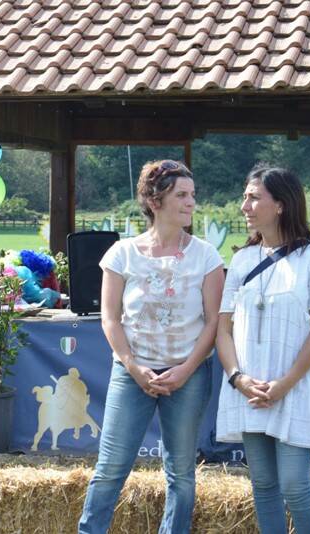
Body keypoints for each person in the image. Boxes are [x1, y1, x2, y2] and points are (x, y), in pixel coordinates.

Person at [78, 160, 225, 533]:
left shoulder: (207, 256)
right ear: (155, 200)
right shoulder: (121, 254)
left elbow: (214, 321)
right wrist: (133, 367)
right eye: (182, 195)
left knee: (181, 473)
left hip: (188, 375)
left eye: (192, 195)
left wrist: (186, 369)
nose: (191, 202)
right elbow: (110, 318)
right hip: (131, 373)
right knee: (111, 468)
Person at [215, 166, 310, 534]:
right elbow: (223, 330)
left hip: (296, 387)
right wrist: (238, 378)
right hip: (250, 388)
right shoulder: (240, 261)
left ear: (282, 205)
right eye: (245, 196)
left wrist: (285, 383)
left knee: (294, 486)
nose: (244, 206)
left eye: (253, 197)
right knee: (264, 486)